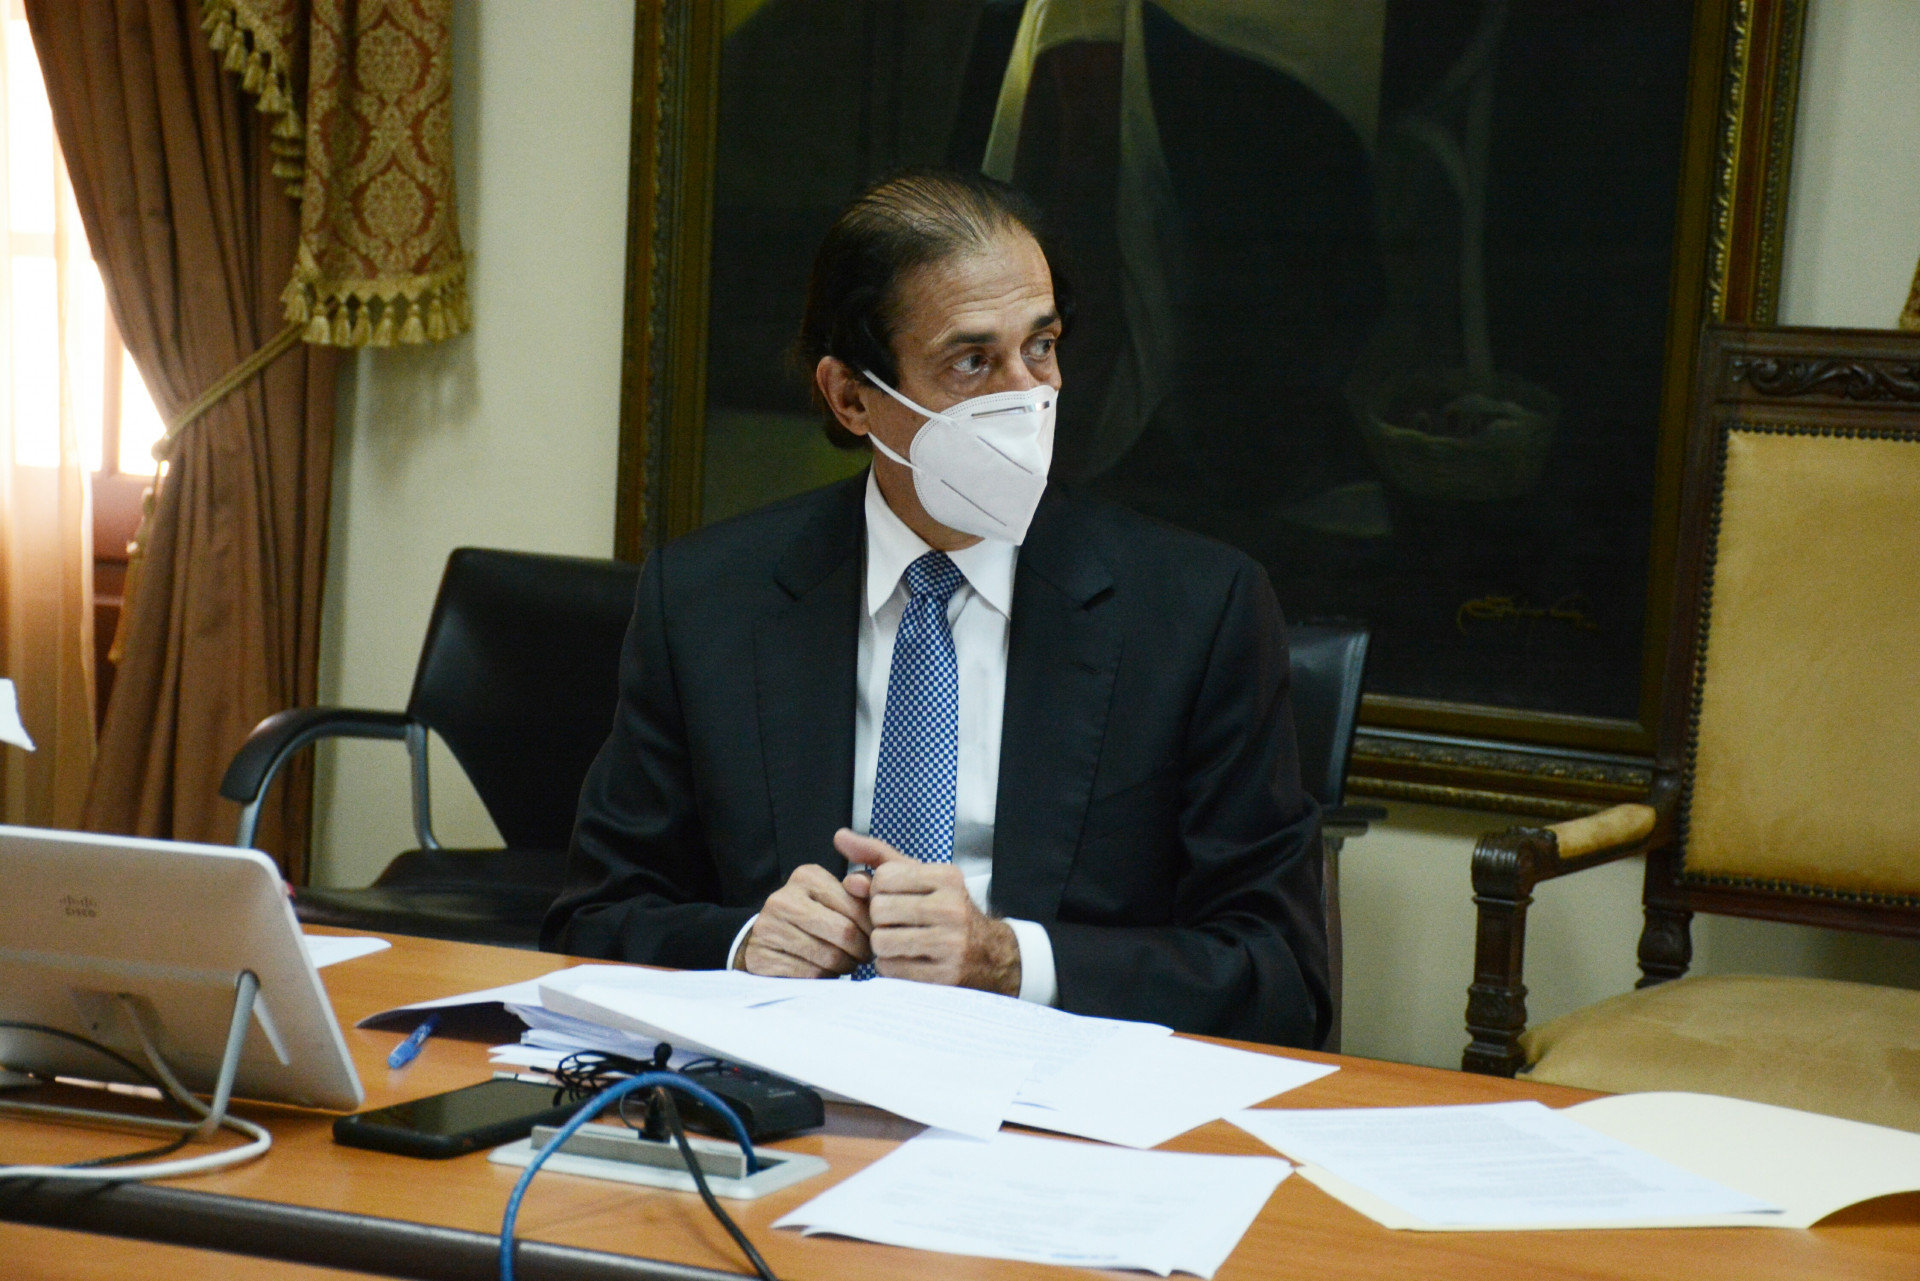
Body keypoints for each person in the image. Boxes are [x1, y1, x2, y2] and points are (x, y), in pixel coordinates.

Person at [543, 170, 1329, 1048]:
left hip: (1049, 1090)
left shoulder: (1196, 610)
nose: (1025, 395)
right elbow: (593, 920)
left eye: (1041, 346)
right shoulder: (708, 600)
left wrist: (1010, 959)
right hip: (789, 1082)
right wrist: (742, 944)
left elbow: (1282, 977)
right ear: (851, 397)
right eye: (972, 361)